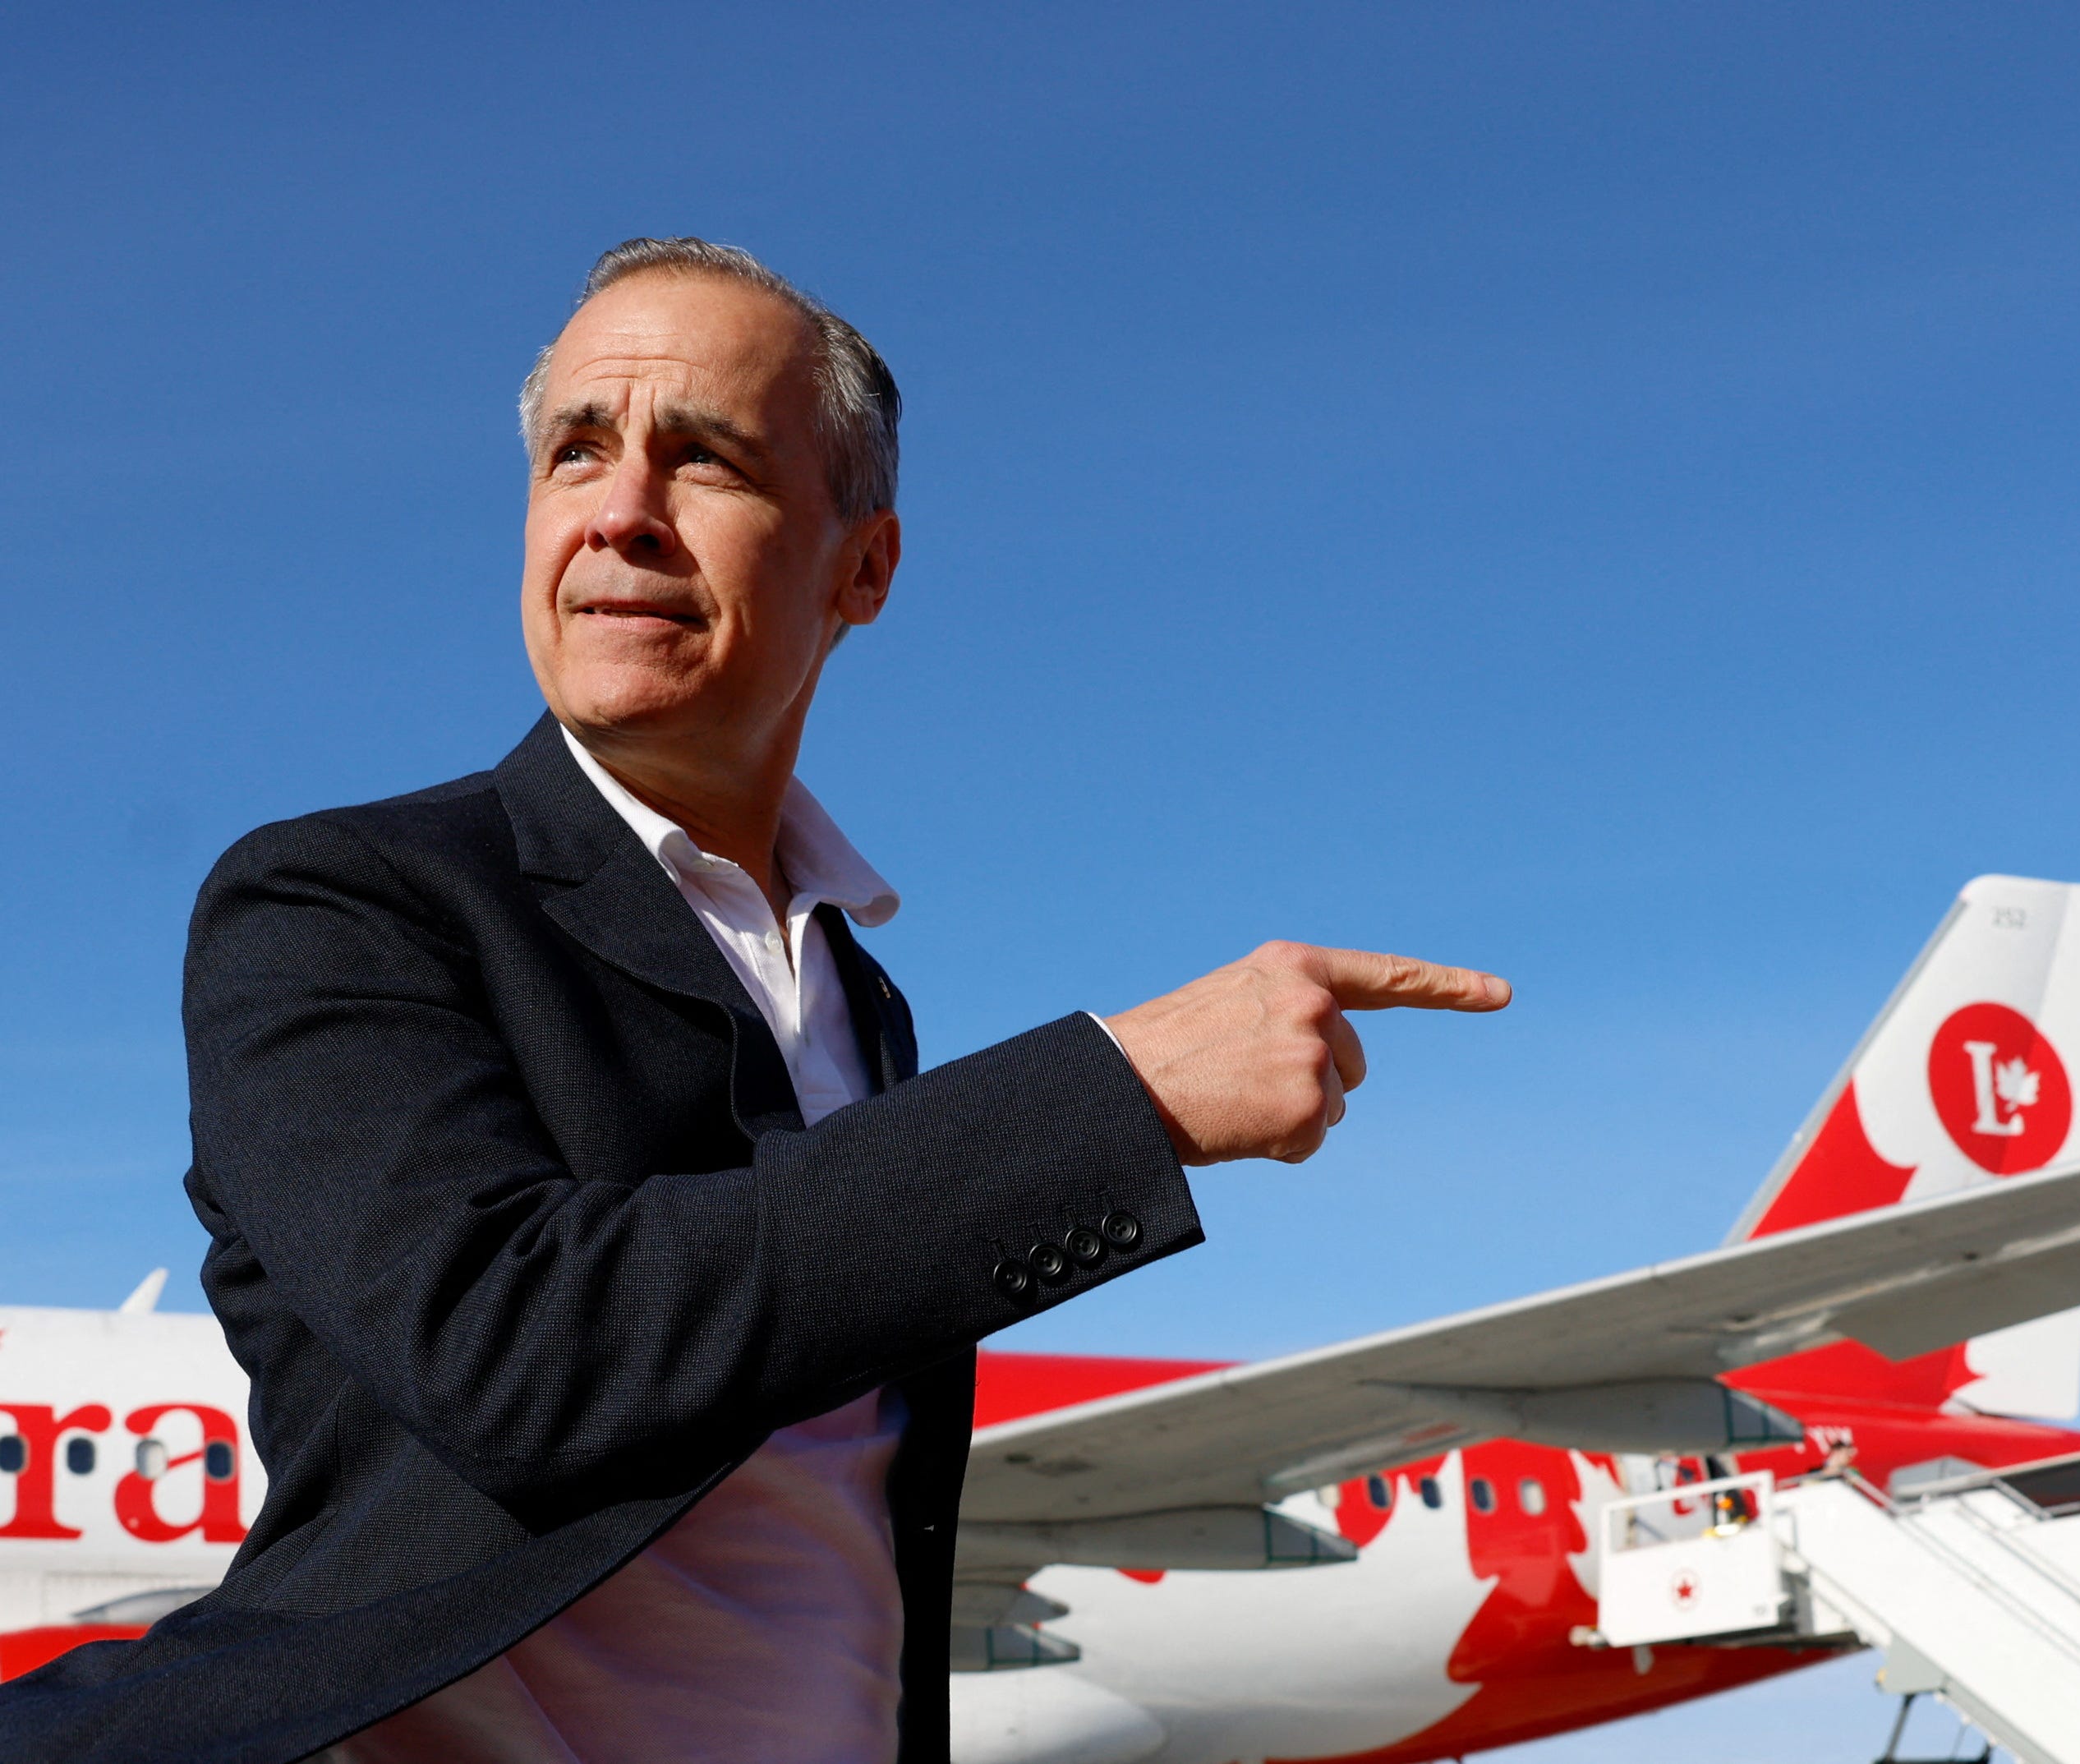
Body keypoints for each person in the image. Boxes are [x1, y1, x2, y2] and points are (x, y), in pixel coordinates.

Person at [0, 237, 1508, 1764]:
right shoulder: (339, 901)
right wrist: (1115, 1095)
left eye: (702, 458)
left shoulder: (859, 994)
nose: (619, 512)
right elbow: (517, 1355)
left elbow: (853, 1553)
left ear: (864, 568)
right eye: (574, 452)